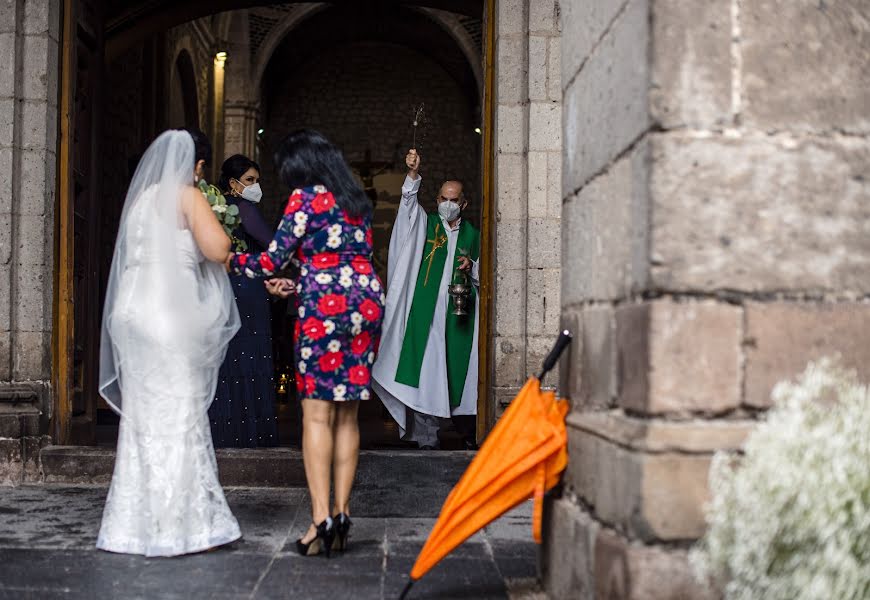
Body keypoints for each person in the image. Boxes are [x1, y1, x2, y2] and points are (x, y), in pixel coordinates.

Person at [227, 129, 383, 557]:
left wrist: (228, 261)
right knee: (348, 416)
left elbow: (270, 258)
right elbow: (341, 262)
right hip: (364, 303)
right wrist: (298, 285)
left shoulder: (305, 199)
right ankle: (344, 513)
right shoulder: (356, 200)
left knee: (316, 417)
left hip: (326, 309)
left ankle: (320, 521)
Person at [97, 128, 241, 556]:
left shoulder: (141, 199)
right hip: (167, 317)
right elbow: (218, 248)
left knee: (143, 417)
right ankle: (180, 525)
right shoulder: (186, 195)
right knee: (179, 411)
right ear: (196, 166)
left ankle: (131, 524)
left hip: (132, 313)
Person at [372, 149, 480, 450]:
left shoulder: (474, 235)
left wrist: (473, 267)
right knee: (428, 370)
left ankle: (467, 429)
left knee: (460, 372)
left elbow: (490, 275)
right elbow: (407, 208)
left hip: (461, 313)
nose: (448, 204)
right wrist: (413, 176)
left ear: (464, 203)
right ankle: (425, 436)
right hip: (429, 311)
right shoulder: (426, 225)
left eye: (454, 200)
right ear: (437, 201)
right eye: (443, 199)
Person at [209, 155, 279, 448]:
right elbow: (273, 245)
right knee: (249, 358)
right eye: (250, 180)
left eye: (257, 180)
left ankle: (224, 430)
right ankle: (250, 434)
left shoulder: (214, 210)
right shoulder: (243, 208)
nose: (256, 186)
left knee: (228, 361)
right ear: (233, 184)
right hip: (246, 291)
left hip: (221, 290)